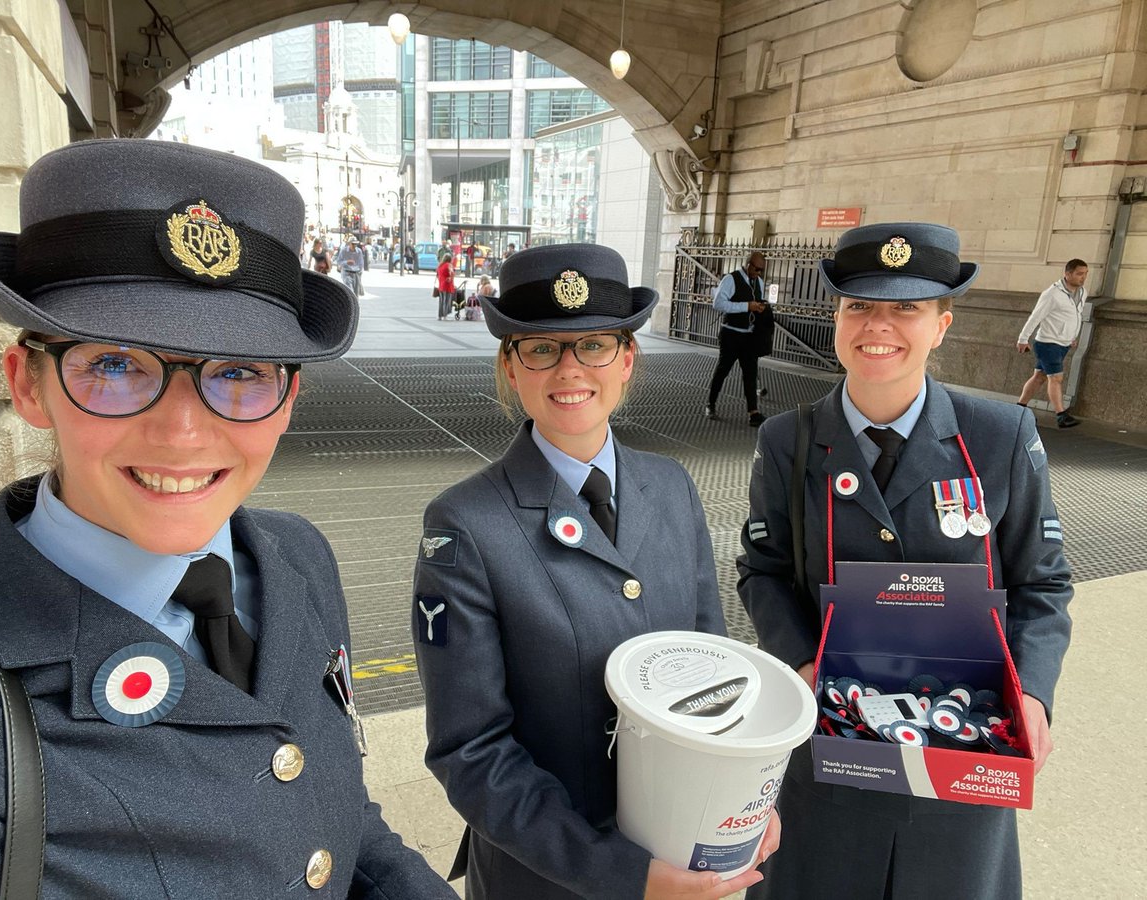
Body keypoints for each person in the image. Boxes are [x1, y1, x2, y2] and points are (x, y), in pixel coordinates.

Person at [0, 139, 455, 899]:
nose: (183, 434)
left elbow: (336, 819)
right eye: (115, 363)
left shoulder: (296, 556)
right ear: (28, 384)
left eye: (240, 372)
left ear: (289, 400)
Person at [411, 243, 779, 900]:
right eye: (541, 348)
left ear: (627, 359)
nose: (570, 368)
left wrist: (742, 800)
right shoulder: (466, 525)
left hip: (680, 849)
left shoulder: (671, 487)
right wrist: (621, 874)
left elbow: (716, 670)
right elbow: (470, 751)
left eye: (595, 345)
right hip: (547, 877)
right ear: (511, 367)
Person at [737, 223, 1072, 900]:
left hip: (965, 746)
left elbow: (1042, 581)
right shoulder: (788, 441)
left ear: (942, 325)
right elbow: (763, 570)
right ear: (837, 319)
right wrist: (803, 664)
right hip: (830, 750)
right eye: (859, 306)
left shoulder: (1000, 437)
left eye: (906, 308)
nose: (878, 325)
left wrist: (1032, 694)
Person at [1016, 259, 1088, 428]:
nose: (1083, 277)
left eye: (1085, 274)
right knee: (1055, 378)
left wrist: (1072, 336)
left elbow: (1074, 316)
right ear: (1067, 274)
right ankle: (1061, 415)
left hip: (1063, 344)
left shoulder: (1083, 293)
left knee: (1039, 377)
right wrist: (1023, 339)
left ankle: (1019, 409)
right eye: (1079, 274)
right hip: (1048, 343)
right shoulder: (1052, 294)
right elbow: (1035, 317)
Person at [705, 251, 775, 425]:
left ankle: (753, 413)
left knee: (750, 374)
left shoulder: (759, 283)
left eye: (761, 270)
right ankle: (711, 403)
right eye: (756, 269)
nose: (758, 273)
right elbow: (718, 304)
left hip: (750, 336)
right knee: (723, 370)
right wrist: (746, 306)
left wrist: (760, 307)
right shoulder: (731, 279)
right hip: (731, 334)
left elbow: (755, 303)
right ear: (748, 264)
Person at [336, 234, 365, 299]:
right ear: (349, 243)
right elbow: (339, 261)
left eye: (355, 244)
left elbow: (361, 263)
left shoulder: (359, 251)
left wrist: (360, 272)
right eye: (353, 244)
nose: (354, 245)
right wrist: (346, 262)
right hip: (347, 273)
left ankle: (356, 304)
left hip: (356, 273)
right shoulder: (344, 250)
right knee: (350, 291)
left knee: (356, 293)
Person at [436, 249, 455, 321]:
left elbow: (438, 275)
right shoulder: (449, 265)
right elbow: (451, 273)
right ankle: (445, 315)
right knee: (446, 301)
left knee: (441, 301)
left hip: (441, 285)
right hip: (447, 286)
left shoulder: (440, 266)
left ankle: (439, 316)